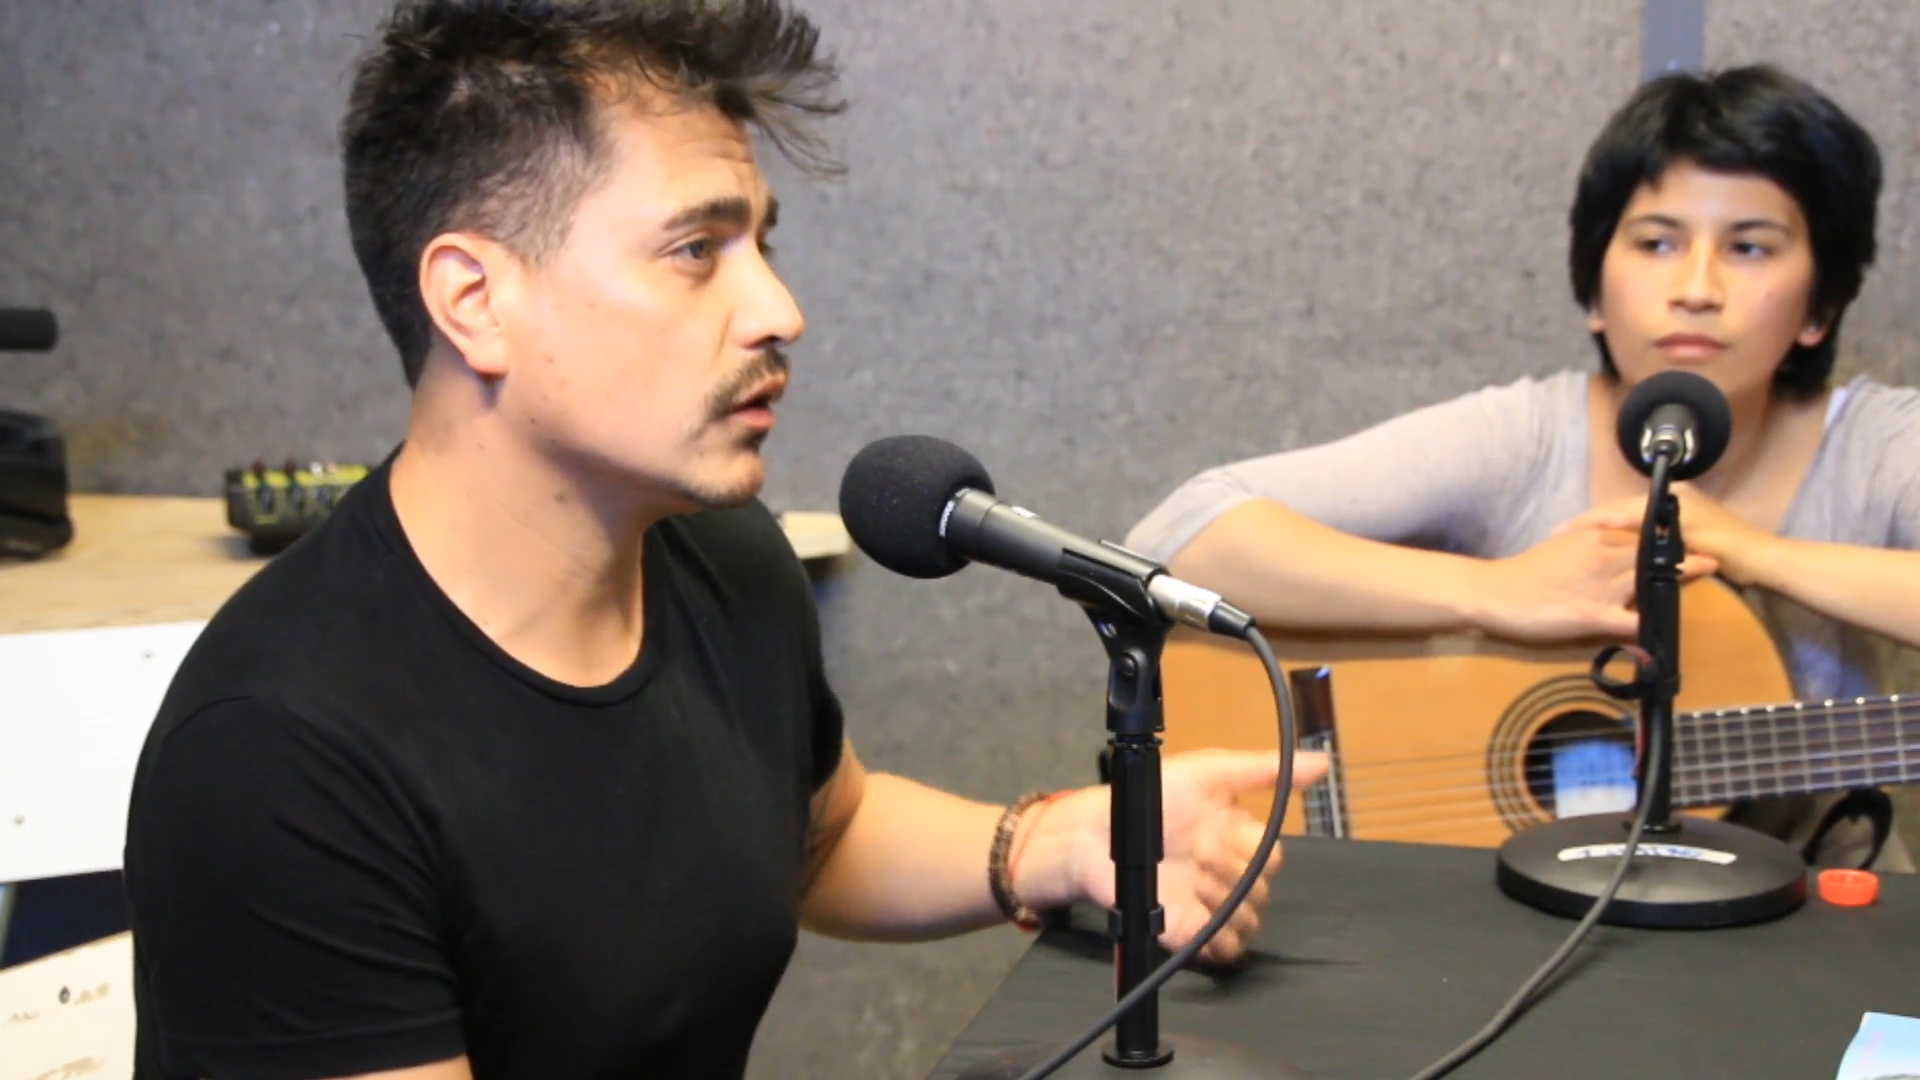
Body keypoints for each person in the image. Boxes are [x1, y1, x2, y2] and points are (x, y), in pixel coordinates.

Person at [120, 3, 1328, 1078]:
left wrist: (1051, 841)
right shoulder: (279, 758)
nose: (778, 310)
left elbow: (822, 833)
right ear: (475, 301)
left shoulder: (726, 562)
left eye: (763, 243)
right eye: (697, 250)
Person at [1126, 63, 1920, 873]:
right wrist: (1500, 592)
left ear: (1820, 306)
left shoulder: (1880, 445)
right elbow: (1177, 538)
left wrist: (1761, 555)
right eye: (1656, 243)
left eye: (1750, 247)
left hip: (1830, 900)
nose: (1696, 288)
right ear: (1595, 293)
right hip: (1514, 911)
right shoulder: (1526, 437)